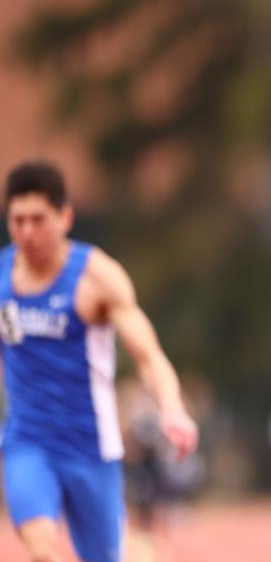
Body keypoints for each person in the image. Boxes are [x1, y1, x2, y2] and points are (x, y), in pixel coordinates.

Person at [0, 161, 198, 562]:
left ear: (65, 217)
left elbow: (148, 356)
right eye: (17, 221)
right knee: (42, 551)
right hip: (28, 442)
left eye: (38, 219)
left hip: (91, 449)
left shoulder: (98, 278)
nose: (26, 232)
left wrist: (172, 409)